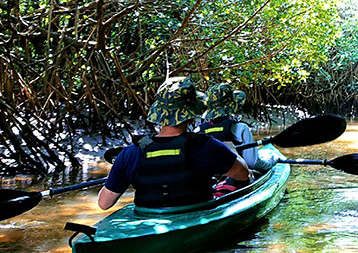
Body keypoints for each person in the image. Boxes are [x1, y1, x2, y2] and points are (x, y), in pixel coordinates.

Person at [97, 76, 250, 210]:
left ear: (159, 114)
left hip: (149, 215)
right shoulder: (208, 146)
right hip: (196, 212)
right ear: (191, 116)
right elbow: (244, 175)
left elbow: (104, 203)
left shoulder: (131, 152)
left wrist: (119, 172)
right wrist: (231, 151)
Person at [199, 83, 276, 196]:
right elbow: (252, 162)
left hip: (210, 180)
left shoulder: (198, 130)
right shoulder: (240, 128)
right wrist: (271, 162)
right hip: (236, 179)